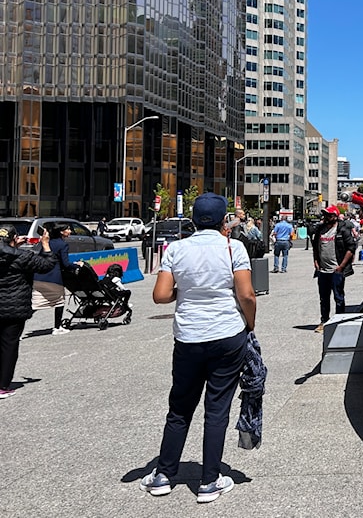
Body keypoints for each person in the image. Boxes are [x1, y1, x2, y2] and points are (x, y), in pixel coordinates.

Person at [139, 192, 256, 503]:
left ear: (193, 219)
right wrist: (250, 324)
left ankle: (163, 474)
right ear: (223, 221)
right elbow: (247, 295)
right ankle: (209, 480)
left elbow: (161, 296)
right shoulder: (234, 247)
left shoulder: (176, 249)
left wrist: (186, 288)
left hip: (189, 336)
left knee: (179, 407)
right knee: (217, 409)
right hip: (227, 333)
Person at [0, 224, 56, 399]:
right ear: (14, 238)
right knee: (9, 345)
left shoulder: (17, 254)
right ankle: (2, 386)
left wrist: (13, 246)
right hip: (14, 307)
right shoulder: (23, 256)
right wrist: (45, 244)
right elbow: (47, 264)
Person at [311, 206, 356, 333]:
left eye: (329, 215)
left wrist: (341, 266)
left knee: (338, 297)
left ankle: (339, 321)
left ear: (335, 216)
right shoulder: (320, 230)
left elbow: (351, 247)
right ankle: (324, 321)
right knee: (323, 298)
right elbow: (315, 246)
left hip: (336, 270)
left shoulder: (342, 230)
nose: (326, 217)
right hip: (323, 271)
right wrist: (315, 261)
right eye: (325, 215)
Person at [32, 223, 80, 335]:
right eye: (67, 229)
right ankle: (57, 328)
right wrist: (78, 265)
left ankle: (16, 330)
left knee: (35, 304)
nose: (70, 231)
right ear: (61, 232)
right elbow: (66, 264)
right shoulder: (63, 245)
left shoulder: (47, 243)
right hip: (53, 277)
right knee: (60, 301)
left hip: (39, 276)